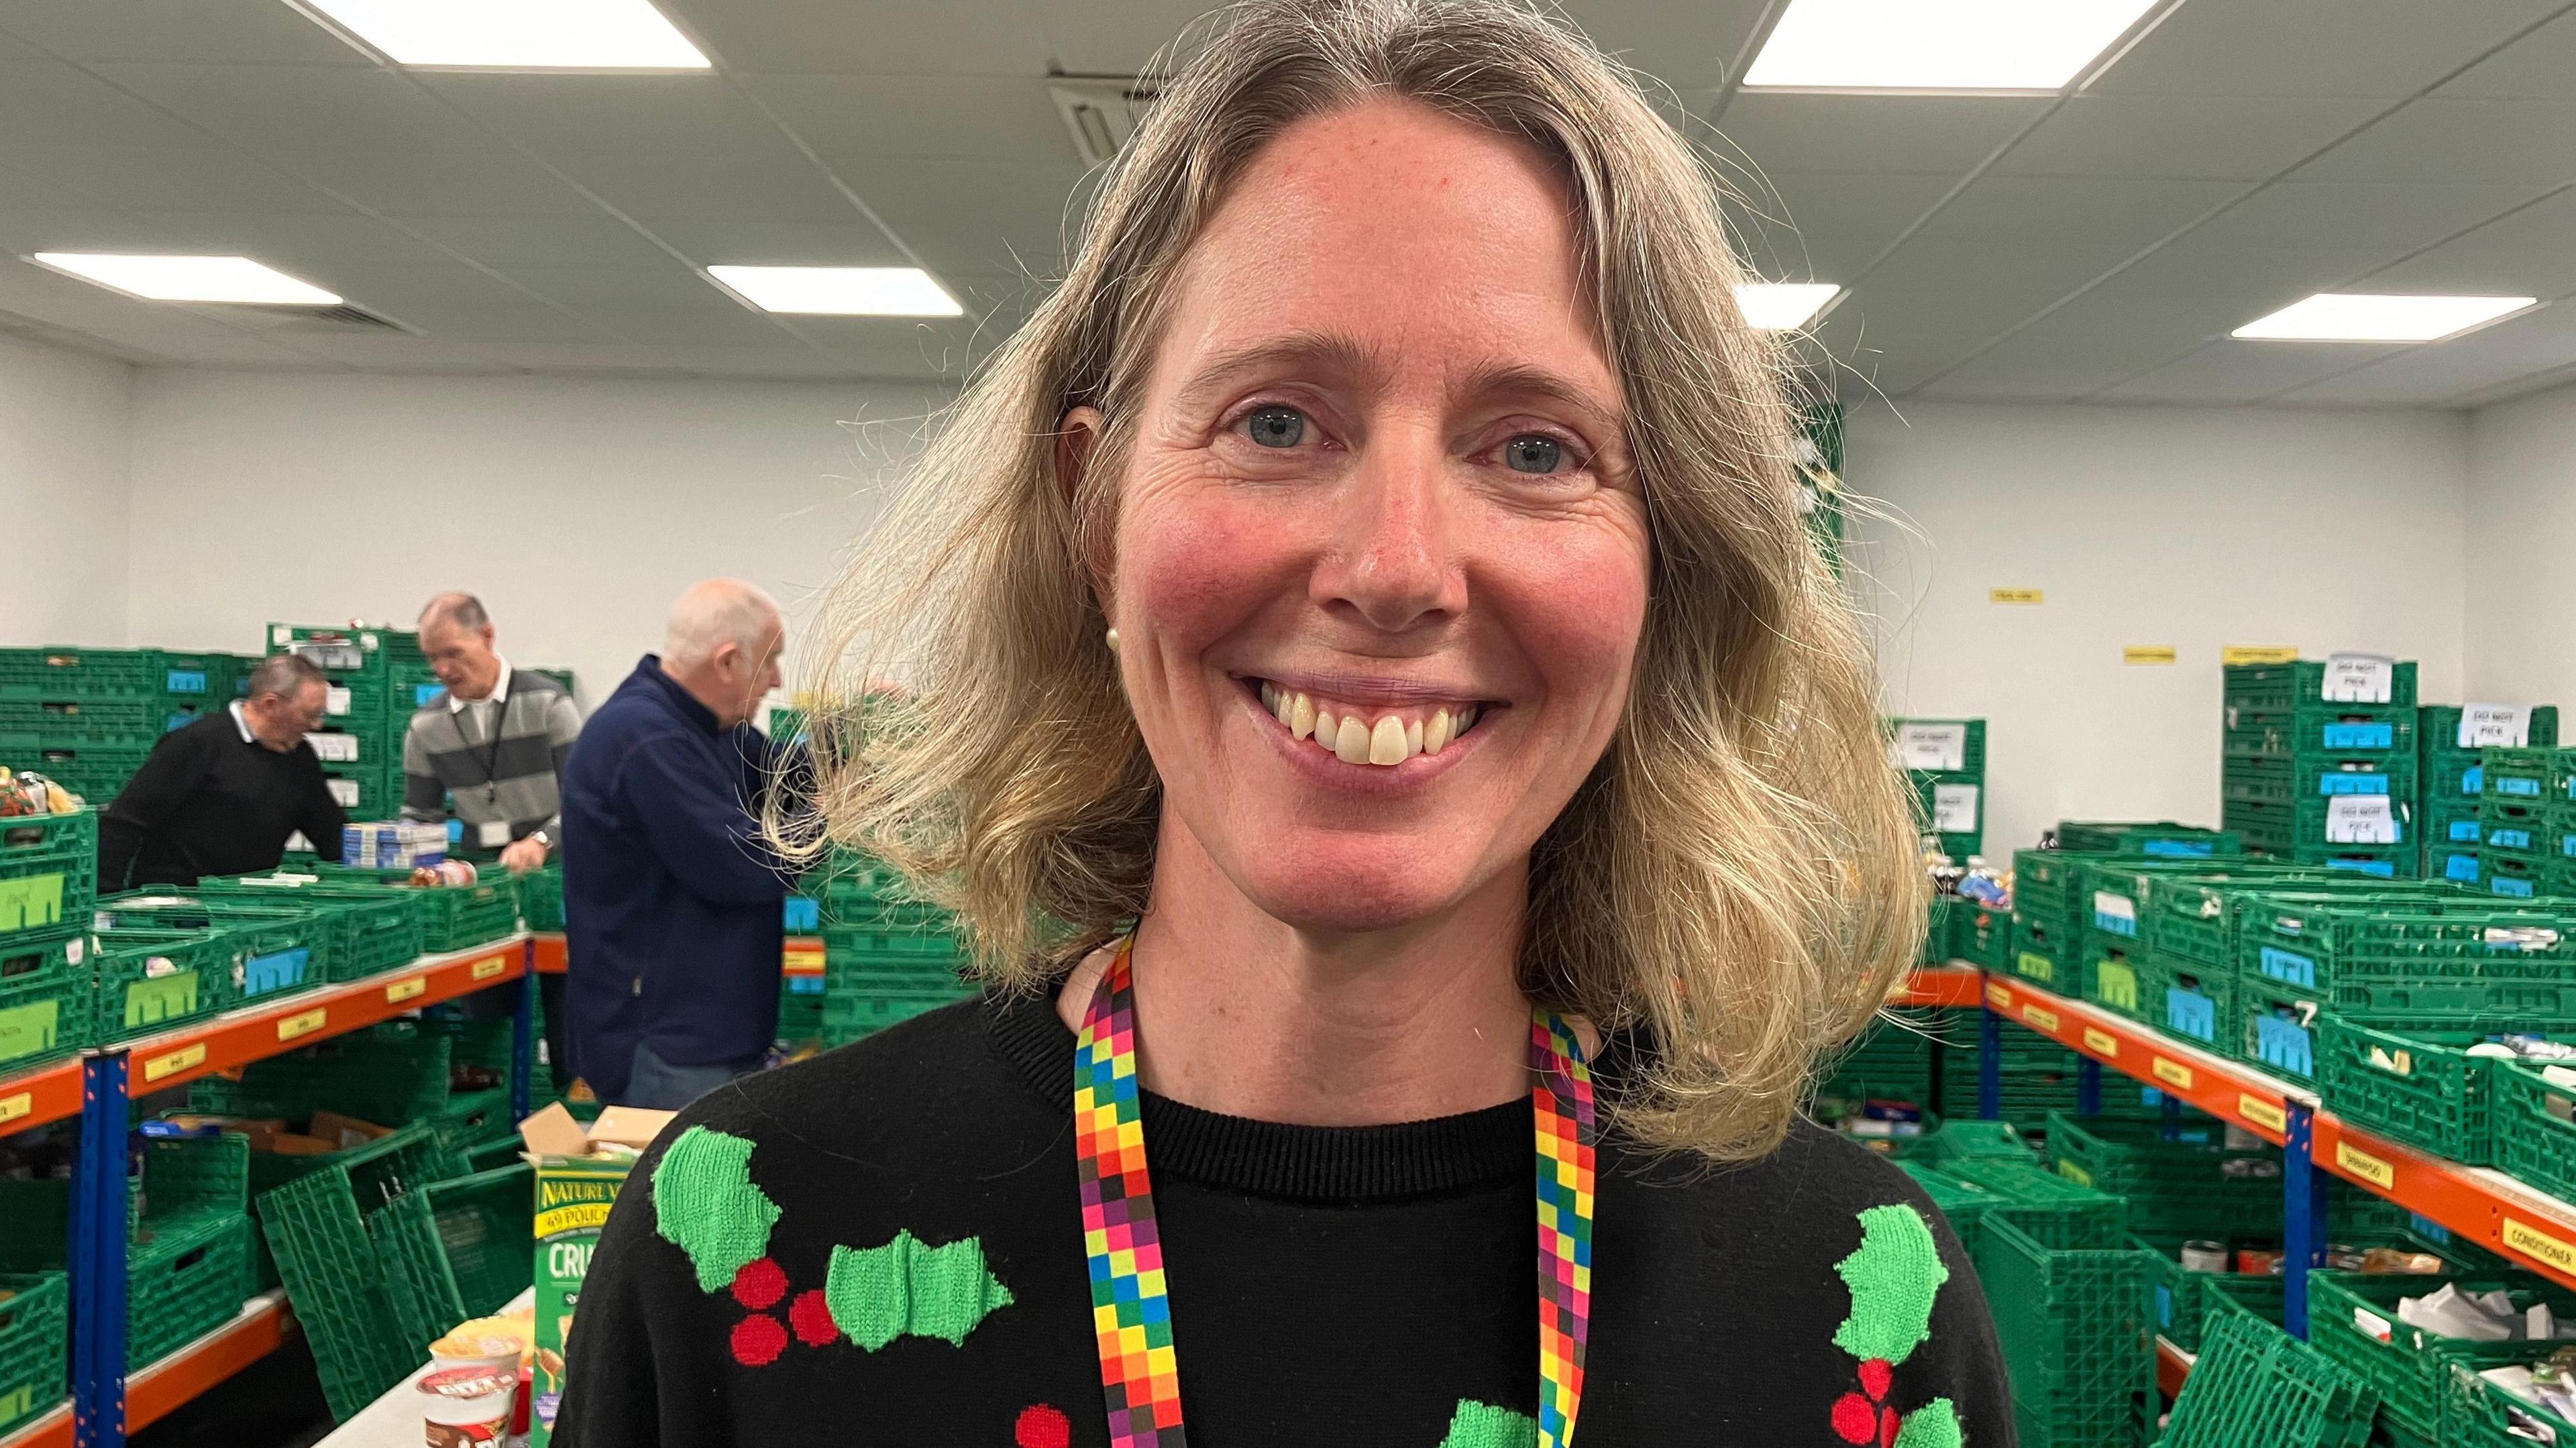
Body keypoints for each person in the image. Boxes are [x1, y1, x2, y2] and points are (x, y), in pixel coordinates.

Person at [555, 3, 2008, 1444]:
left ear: (1664, 565)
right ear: (1093, 508)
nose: (1393, 567)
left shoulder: (1857, 1307)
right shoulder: (743, 1242)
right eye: (1274, 421)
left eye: (1536, 447)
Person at [557, 579, 802, 1111]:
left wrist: (859, 738)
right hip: (668, 1047)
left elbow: (784, 773)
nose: (777, 680)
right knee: (681, 1192)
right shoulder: (647, 738)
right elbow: (744, 866)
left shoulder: (709, 728)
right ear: (728, 661)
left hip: (710, 1032)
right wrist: (829, 816)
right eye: (771, 660)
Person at [99, 653, 345, 889]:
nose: (317, 725)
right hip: (178, 906)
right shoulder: (198, 743)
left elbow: (330, 832)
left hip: (245, 906)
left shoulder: (300, 758)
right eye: (310, 715)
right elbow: (125, 822)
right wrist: (106, 900)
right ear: (271, 705)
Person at [402, 592, 583, 875]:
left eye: (453, 653)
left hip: (556, 874)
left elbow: (585, 799)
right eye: (432, 657)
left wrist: (541, 842)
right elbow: (421, 817)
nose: (443, 670)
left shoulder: (548, 703)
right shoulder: (426, 727)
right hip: (482, 883)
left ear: (487, 636)